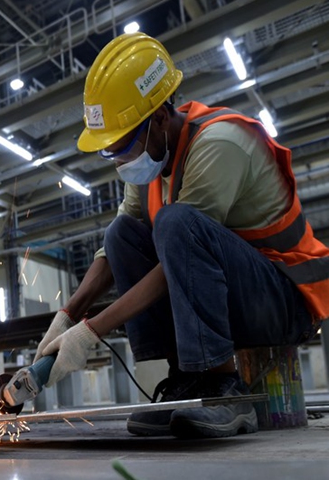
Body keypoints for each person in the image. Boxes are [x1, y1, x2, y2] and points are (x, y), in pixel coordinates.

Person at [34, 32, 329, 439]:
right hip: (235, 298)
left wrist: (91, 330)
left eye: (123, 146)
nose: (120, 160)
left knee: (175, 223)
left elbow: (181, 254)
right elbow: (113, 251)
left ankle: (223, 389)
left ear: (158, 118)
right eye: (110, 151)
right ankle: (187, 380)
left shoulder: (219, 143)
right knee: (122, 233)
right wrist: (68, 314)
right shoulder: (150, 159)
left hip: (283, 301)